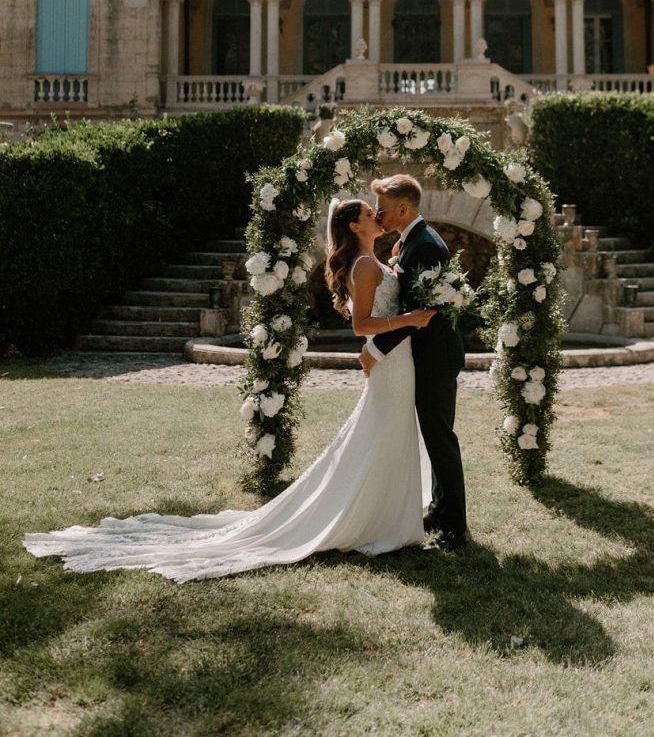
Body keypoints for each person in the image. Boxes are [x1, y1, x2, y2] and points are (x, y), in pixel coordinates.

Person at [23, 198, 436, 581]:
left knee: (388, 431)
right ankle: (376, 520)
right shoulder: (364, 266)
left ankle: (387, 516)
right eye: (369, 211)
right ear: (354, 224)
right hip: (389, 363)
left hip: (396, 362)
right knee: (382, 431)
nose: (377, 214)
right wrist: (409, 320)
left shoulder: (375, 259)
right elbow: (361, 326)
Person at [363, 174, 467, 551]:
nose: (377, 214)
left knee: (441, 441)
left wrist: (374, 348)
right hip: (428, 356)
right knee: (434, 438)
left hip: (435, 358)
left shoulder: (423, 245)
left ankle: (454, 529)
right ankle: (439, 510)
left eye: (383, 209)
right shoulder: (413, 241)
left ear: (403, 209)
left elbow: (417, 312)